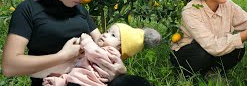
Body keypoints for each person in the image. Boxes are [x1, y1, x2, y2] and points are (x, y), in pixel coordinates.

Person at [1, 0, 149, 86]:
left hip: (90, 79)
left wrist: (119, 67)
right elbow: (10, 66)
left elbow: (101, 44)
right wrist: (62, 56)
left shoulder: (80, 10)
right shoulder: (28, 10)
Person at [30, 23, 161, 86]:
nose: (105, 34)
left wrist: (86, 41)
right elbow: (80, 70)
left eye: (113, 35)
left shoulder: (110, 54)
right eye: (108, 31)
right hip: (77, 80)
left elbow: (94, 52)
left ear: (120, 47)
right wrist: (61, 79)